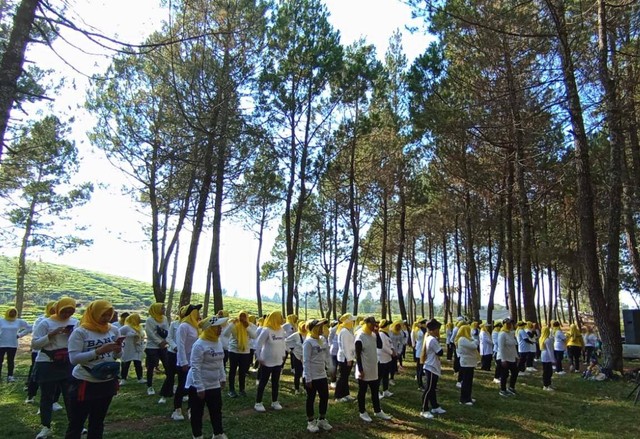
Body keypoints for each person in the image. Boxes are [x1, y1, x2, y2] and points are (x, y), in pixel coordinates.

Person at [65, 299, 122, 439]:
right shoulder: (81, 332)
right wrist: (98, 351)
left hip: (106, 381)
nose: (106, 318)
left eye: (109, 315)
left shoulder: (113, 330)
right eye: (103, 315)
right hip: (85, 381)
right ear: (94, 313)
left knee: (97, 422)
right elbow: (74, 359)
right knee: (76, 423)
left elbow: (118, 355)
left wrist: (117, 350)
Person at [31, 297, 78, 439]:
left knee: (70, 396)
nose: (67, 314)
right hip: (47, 362)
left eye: (71, 311)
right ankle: (46, 426)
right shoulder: (46, 323)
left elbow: (79, 341)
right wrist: (51, 335)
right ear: (58, 309)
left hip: (66, 362)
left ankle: (76, 425)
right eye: (65, 311)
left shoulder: (75, 323)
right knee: (47, 396)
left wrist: (72, 335)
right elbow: (35, 344)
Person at [186, 315, 228, 439]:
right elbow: (195, 366)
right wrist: (199, 387)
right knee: (197, 413)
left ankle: (218, 433)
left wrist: (223, 377)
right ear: (210, 328)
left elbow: (220, 361)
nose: (221, 329)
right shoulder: (199, 345)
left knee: (216, 410)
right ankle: (197, 435)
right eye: (218, 327)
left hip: (214, 383)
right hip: (199, 385)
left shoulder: (217, 342)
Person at [355, 316, 392, 423]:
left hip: (373, 368)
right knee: (362, 391)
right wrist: (361, 370)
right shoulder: (360, 336)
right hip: (364, 369)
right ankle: (362, 411)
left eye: (376, 324)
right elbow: (357, 356)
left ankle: (377, 410)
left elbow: (379, 346)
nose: (374, 326)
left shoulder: (373, 335)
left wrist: (377, 333)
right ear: (366, 324)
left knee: (375, 391)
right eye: (372, 324)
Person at [173, 304, 202, 421]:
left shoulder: (195, 326)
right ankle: (177, 409)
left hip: (194, 362)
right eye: (197, 312)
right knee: (181, 386)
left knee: (192, 387)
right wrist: (183, 362)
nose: (199, 314)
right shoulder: (184, 326)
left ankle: (191, 408)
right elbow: (180, 345)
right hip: (184, 362)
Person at [303, 319, 332, 433]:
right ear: (313, 328)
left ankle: (322, 419)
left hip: (322, 375)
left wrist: (330, 368)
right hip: (312, 376)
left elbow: (326, 356)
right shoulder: (308, 342)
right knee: (311, 398)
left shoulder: (322, 340)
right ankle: (310, 422)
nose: (322, 329)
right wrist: (308, 378)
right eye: (319, 327)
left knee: (324, 397)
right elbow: (306, 361)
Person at [254, 310, 286, 412]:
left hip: (277, 361)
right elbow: (258, 344)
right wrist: (259, 357)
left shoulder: (281, 330)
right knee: (263, 382)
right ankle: (258, 402)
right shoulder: (266, 330)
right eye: (280, 317)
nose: (282, 319)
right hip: (267, 361)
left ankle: (275, 401)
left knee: (275, 382)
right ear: (275, 318)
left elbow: (282, 343)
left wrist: (283, 355)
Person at [26, 301, 57, 403]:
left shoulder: (60, 320)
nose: (54, 310)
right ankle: (31, 395)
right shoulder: (41, 320)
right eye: (52, 308)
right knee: (36, 374)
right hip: (38, 351)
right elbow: (36, 336)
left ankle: (54, 400)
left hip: (55, 352)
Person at [223, 310, 257, 398]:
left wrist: (247, 327)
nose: (242, 318)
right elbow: (225, 334)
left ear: (247, 317)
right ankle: (231, 389)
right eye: (240, 316)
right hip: (234, 350)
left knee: (242, 371)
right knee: (232, 370)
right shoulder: (234, 324)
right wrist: (232, 324)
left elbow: (254, 336)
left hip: (245, 351)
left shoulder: (251, 325)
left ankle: (242, 390)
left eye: (244, 316)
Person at [419, 318, 445, 419]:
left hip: (433, 365)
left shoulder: (430, 338)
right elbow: (440, 352)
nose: (438, 331)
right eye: (437, 329)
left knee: (432, 388)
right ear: (432, 330)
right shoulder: (432, 339)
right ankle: (424, 409)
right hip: (431, 366)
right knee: (429, 389)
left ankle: (435, 406)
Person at [158, 307, 183, 404]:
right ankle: (165, 394)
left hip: (184, 354)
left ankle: (183, 394)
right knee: (170, 375)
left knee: (183, 376)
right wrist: (175, 347)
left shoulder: (191, 325)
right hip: (173, 353)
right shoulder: (174, 324)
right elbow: (169, 337)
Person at [0, 307, 32, 382]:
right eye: (11, 312)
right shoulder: (1, 321)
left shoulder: (19, 321)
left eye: (14, 312)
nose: (12, 314)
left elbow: (30, 328)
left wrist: (20, 334)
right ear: (7, 312)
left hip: (12, 344)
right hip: (1, 344)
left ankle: (10, 376)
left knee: (10, 360)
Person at [144, 303, 170, 396]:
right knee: (151, 367)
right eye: (162, 308)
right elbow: (150, 333)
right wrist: (159, 342)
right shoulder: (150, 320)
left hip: (163, 347)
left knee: (167, 365)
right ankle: (150, 386)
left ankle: (169, 385)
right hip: (152, 347)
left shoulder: (164, 318)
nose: (164, 309)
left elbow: (168, 330)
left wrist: (165, 341)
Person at [334, 313, 357, 402]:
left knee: (345, 377)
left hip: (348, 357)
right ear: (347, 321)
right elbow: (345, 347)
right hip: (344, 358)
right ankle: (338, 396)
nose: (353, 322)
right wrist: (348, 359)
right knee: (342, 377)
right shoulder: (344, 332)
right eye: (351, 320)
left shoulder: (347, 330)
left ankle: (346, 394)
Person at [118, 313, 145, 386]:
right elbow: (117, 333)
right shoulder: (126, 327)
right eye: (138, 318)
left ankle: (140, 378)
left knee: (138, 363)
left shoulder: (139, 327)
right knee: (125, 363)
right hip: (128, 349)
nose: (140, 320)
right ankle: (123, 379)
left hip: (137, 348)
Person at [456, 324, 478, 406]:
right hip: (466, 363)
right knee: (465, 382)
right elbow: (474, 346)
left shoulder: (466, 339)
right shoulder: (462, 339)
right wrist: (475, 341)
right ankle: (463, 399)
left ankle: (468, 397)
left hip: (470, 362)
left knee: (469, 381)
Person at [497, 318, 519, 397]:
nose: (510, 325)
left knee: (515, 372)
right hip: (504, 358)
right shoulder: (502, 334)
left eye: (511, 324)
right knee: (504, 374)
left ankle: (511, 387)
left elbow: (513, 346)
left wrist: (516, 356)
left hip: (511, 357)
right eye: (508, 324)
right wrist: (503, 360)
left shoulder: (511, 333)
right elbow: (501, 347)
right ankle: (503, 390)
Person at [286, 320, 308, 395]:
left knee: (305, 373)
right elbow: (286, 341)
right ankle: (297, 389)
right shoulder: (296, 335)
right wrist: (290, 350)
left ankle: (305, 388)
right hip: (297, 356)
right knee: (298, 373)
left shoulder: (309, 335)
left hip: (305, 356)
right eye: (303, 327)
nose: (304, 328)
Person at [376, 319, 395, 399]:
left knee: (386, 375)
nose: (389, 327)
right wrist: (391, 352)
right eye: (388, 325)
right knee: (379, 376)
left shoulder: (386, 334)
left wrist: (393, 349)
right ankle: (376, 392)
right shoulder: (381, 334)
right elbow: (383, 346)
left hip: (387, 358)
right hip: (381, 358)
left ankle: (385, 390)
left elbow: (390, 343)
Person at [412, 319, 427, 389]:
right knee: (420, 369)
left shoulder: (420, 330)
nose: (425, 324)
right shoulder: (420, 331)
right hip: (420, 351)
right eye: (423, 323)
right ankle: (420, 384)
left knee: (420, 368)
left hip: (421, 351)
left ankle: (420, 382)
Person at [389, 321, 405, 385]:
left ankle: (391, 378)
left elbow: (401, 343)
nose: (398, 327)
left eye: (399, 326)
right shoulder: (390, 332)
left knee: (393, 365)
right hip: (388, 351)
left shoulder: (400, 333)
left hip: (395, 351)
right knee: (387, 366)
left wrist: (399, 352)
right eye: (397, 326)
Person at [539, 326, 555, 391]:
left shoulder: (541, 338)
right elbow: (550, 350)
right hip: (547, 356)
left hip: (544, 355)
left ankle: (549, 384)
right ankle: (546, 385)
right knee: (547, 372)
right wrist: (553, 359)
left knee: (549, 371)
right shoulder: (547, 340)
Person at [327, 320, 339, 389]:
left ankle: (336, 382)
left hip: (339, 350)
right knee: (333, 367)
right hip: (334, 350)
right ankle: (333, 382)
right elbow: (330, 338)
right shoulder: (334, 329)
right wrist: (331, 345)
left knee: (336, 367)